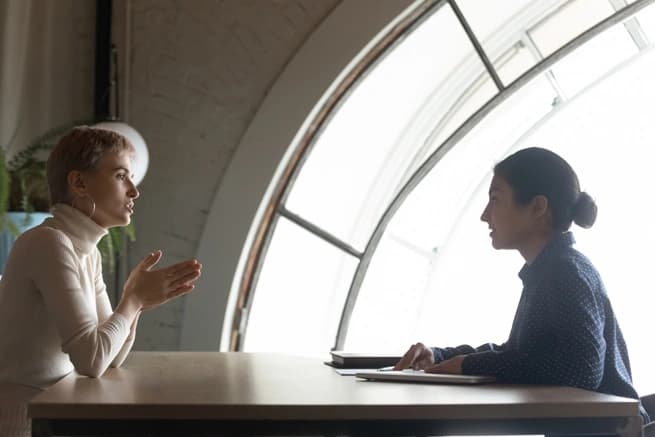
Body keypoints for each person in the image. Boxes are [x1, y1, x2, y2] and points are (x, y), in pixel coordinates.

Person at [394, 147, 649, 423]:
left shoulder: (566, 271)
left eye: (495, 199)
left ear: (538, 207)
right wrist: (443, 356)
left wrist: (467, 364)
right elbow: (519, 355)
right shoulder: (549, 268)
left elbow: (583, 370)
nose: (484, 214)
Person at [0, 127, 202, 436]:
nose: (134, 190)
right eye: (122, 176)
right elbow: (91, 359)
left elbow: (112, 358)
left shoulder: (86, 252)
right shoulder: (48, 243)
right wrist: (132, 300)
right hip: (20, 425)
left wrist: (136, 304)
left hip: (50, 417)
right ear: (79, 183)